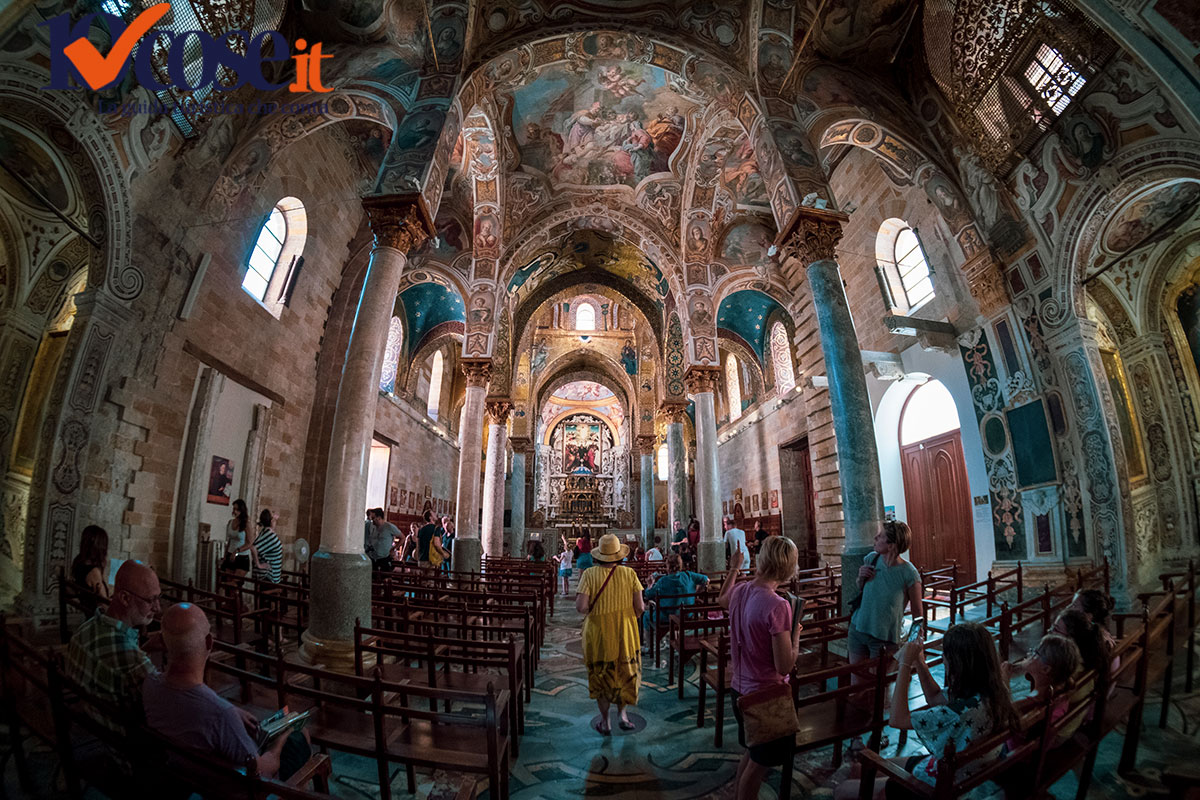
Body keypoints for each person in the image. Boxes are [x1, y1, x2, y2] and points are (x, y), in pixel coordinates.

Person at [833, 622, 1019, 800]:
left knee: (842, 790)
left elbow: (897, 719)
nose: (944, 659)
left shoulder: (954, 714)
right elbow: (935, 697)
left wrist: (905, 664)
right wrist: (919, 662)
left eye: (946, 654)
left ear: (957, 663)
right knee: (860, 769)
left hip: (928, 789)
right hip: (954, 774)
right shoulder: (992, 693)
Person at [144, 603, 311, 780]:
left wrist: (234, 711)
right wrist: (278, 743)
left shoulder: (150, 685)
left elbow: (190, 697)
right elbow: (261, 770)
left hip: (186, 773)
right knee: (298, 734)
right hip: (234, 788)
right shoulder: (221, 715)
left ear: (161, 642)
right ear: (209, 642)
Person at [718, 537, 803, 800]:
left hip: (739, 690)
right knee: (758, 765)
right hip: (765, 695)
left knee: (753, 753)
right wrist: (796, 636)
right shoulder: (778, 605)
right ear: (788, 567)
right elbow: (785, 665)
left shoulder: (741, 590)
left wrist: (734, 567)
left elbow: (723, 599)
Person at [66, 560, 160, 718]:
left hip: (87, 722)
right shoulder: (134, 662)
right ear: (124, 598)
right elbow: (162, 707)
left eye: (159, 597)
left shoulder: (84, 629)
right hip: (115, 738)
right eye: (151, 600)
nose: (158, 607)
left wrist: (145, 649)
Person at [577, 533, 645, 735]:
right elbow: (640, 606)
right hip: (625, 631)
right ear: (619, 555)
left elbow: (581, 607)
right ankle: (622, 715)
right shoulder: (630, 574)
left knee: (601, 674)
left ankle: (605, 721)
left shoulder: (589, 574)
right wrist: (630, 617)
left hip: (598, 632)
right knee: (624, 672)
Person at [848, 520, 923, 668]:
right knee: (856, 682)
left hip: (885, 637)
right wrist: (860, 578)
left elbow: (917, 611)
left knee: (880, 686)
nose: (875, 537)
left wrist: (915, 641)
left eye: (880, 536)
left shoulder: (909, 573)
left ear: (891, 545)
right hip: (858, 628)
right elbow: (862, 589)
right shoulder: (871, 559)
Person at [642, 554, 709, 652]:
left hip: (666, 616)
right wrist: (696, 593)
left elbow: (648, 594)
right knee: (676, 606)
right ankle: (673, 639)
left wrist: (650, 584)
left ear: (668, 566)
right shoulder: (688, 575)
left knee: (646, 616)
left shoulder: (663, 581)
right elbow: (706, 580)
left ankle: (649, 646)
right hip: (687, 615)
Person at [71, 524, 111, 616]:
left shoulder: (78, 562)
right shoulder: (94, 572)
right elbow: (105, 604)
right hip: (98, 618)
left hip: (89, 613)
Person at [250, 510, 283, 583]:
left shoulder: (266, 531)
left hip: (270, 575)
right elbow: (253, 547)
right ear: (271, 521)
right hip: (268, 575)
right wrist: (259, 565)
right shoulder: (269, 534)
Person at [223, 500, 252, 575]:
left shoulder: (246, 524)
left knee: (236, 582)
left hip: (242, 556)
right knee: (227, 580)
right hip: (230, 553)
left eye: (237, 510)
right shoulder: (230, 522)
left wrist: (237, 551)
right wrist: (225, 555)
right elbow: (229, 540)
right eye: (234, 509)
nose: (235, 512)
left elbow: (250, 542)